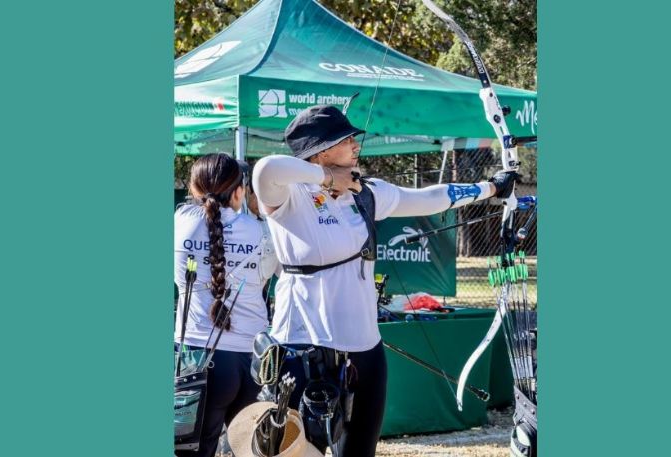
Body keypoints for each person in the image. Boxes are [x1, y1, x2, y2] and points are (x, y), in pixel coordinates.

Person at [251, 105, 518, 457]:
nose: (355, 144)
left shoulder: (366, 193)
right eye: (345, 139)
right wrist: (328, 179)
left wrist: (490, 187)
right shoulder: (289, 196)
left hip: (364, 349)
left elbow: (429, 198)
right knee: (299, 452)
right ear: (321, 151)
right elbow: (266, 168)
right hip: (303, 347)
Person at [174, 153, 277, 457]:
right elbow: (268, 279)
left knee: (191, 449)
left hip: (197, 357)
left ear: (194, 189)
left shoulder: (180, 223)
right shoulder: (262, 232)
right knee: (249, 450)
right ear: (239, 192)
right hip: (252, 359)